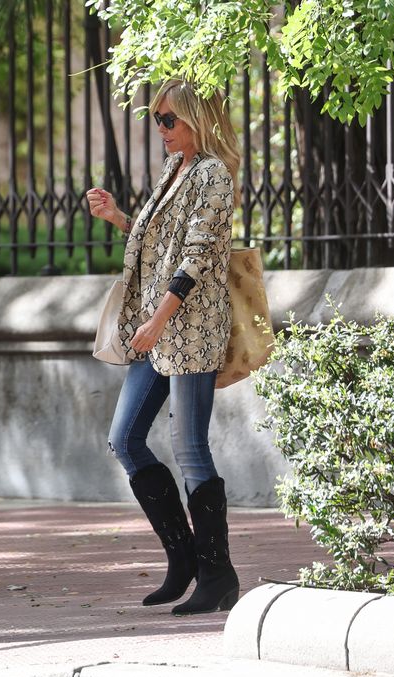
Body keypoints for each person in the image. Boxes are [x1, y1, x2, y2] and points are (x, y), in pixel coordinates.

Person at [85, 80, 241, 616]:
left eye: (169, 120)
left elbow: (196, 257)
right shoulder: (173, 172)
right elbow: (159, 244)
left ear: (197, 118)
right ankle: (184, 560)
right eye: (156, 121)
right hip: (157, 329)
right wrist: (118, 219)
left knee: (190, 447)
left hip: (190, 328)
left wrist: (155, 322)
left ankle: (218, 575)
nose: (161, 130)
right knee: (125, 438)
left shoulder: (213, 175)